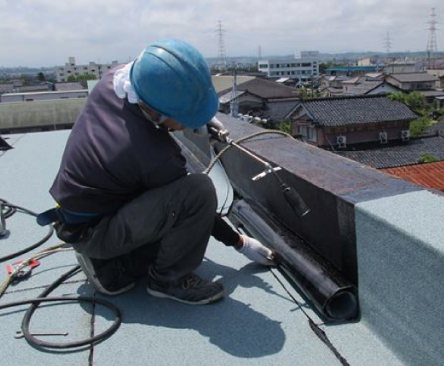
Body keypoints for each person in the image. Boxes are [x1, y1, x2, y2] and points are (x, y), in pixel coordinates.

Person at [44, 39, 274, 305]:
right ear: (155, 111)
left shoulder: (116, 81)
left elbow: (164, 89)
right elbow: (194, 205)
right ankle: (167, 280)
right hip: (96, 232)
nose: (187, 123)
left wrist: (200, 115)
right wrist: (239, 242)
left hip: (80, 215)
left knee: (172, 218)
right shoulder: (149, 152)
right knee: (199, 190)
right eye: (184, 117)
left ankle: (115, 260)